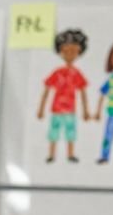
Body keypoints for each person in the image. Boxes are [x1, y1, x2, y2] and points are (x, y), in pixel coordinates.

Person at [37, 28, 91, 164]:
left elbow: (83, 91)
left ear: (79, 52)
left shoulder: (77, 73)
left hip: (70, 110)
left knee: (70, 134)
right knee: (53, 133)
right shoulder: (57, 72)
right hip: (56, 110)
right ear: (60, 52)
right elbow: (47, 90)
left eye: (73, 51)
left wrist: (85, 111)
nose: (69, 54)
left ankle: (70, 154)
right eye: (66, 51)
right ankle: (51, 154)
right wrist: (41, 109)